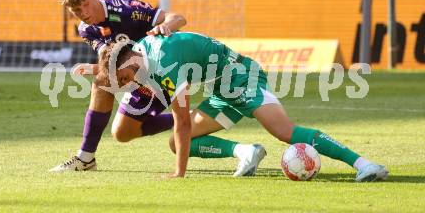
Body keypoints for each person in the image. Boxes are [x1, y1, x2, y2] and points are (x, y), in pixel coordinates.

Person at [96, 32, 389, 181]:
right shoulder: (139, 51)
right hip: (222, 90)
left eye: (125, 77)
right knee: (176, 143)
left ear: (131, 61)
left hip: (242, 78)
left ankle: (364, 165)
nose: (129, 83)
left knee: (284, 131)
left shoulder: (163, 62)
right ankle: (246, 152)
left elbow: (182, 120)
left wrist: (179, 174)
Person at [50, 0, 187, 172]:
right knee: (122, 133)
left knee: (100, 83)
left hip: (164, 74)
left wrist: (165, 26)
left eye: (86, 5)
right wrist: (96, 67)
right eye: (76, 10)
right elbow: (114, 62)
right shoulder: (86, 30)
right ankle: (189, 117)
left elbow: (179, 18)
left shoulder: (127, 9)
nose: (84, 13)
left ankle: (85, 158)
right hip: (137, 78)